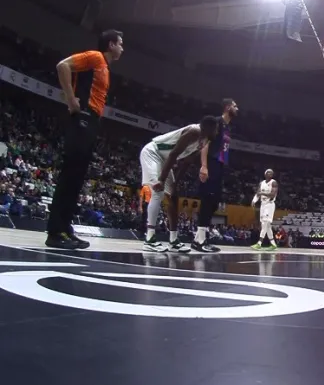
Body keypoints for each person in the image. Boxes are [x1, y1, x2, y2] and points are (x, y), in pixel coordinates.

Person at [45, 29, 124, 250]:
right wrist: (71, 100)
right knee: (70, 175)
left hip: (92, 121)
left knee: (77, 178)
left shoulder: (105, 67)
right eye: (120, 43)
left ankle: (65, 229)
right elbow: (63, 66)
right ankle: (55, 231)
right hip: (83, 116)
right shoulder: (95, 57)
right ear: (110, 44)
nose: (122, 48)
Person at [139, 116, 219, 252]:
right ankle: (149, 239)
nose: (217, 132)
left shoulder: (203, 141)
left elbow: (187, 162)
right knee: (158, 192)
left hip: (164, 160)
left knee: (174, 197)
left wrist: (175, 183)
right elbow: (174, 154)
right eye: (216, 129)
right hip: (153, 153)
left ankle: (173, 240)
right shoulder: (194, 131)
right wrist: (162, 179)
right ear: (209, 128)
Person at [193, 98, 238, 253]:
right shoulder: (217, 122)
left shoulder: (228, 127)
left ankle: (200, 237)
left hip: (220, 165)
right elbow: (204, 143)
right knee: (207, 199)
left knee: (214, 201)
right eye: (234, 106)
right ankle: (199, 240)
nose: (237, 109)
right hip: (211, 163)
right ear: (227, 108)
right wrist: (204, 166)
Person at [251, 169, 279, 251]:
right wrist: (254, 200)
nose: (270, 174)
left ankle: (259, 243)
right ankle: (273, 244)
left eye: (271, 173)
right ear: (265, 174)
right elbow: (258, 193)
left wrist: (262, 193)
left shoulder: (273, 183)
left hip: (270, 205)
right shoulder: (262, 183)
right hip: (263, 205)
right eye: (268, 172)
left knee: (265, 223)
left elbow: (273, 194)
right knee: (267, 225)